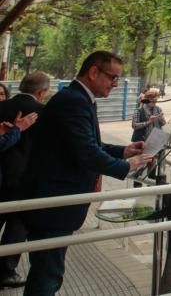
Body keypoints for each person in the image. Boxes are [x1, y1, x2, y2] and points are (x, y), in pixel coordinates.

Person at [23, 51, 151, 295]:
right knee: (47, 275)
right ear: (94, 72)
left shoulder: (80, 98)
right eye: (112, 78)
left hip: (55, 205)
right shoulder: (74, 101)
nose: (115, 85)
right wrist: (128, 165)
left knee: (49, 272)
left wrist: (123, 151)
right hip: (53, 206)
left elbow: (87, 144)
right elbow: (87, 153)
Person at [0, 72, 46, 288]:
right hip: (25, 177)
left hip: (2, 174)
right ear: (41, 92)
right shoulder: (43, 112)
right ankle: (6, 270)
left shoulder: (3, 106)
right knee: (18, 226)